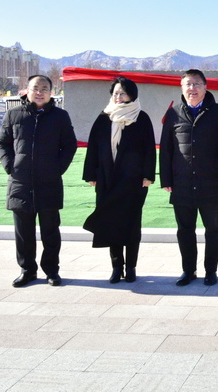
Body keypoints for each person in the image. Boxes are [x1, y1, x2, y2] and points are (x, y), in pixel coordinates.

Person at [0, 74, 77, 287]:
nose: (39, 92)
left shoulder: (60, 116)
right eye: (35, 88)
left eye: (44, 89)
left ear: (51, 92)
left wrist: (57, 169)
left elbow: (69, 145)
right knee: (23, 232)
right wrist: (11, 166)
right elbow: (2, 143)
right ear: (27, 90)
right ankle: (27, 271)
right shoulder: (14, 114)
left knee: (50, 231)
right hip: (20, 182)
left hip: (49, 182)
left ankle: (52, 271)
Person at [160, 69, 218, 287]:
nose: (192, 88)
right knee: (185, 230)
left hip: (210, 182)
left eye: (197, 84)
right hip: (181, 183)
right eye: (188, 84)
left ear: (205, 87)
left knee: (213, 229)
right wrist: (166, 180)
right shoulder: (173, 113)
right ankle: (188, 270)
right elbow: (166, 149)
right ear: (182, 88)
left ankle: (211, 271)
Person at [82, 77, 156, 284]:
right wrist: (91, 175)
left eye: (122, 93)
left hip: (133, 181)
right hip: (107, 179)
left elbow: (149, 149)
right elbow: (93, 147)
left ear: (132, 95)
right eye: (115, 93)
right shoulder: (104, 117)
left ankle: (131, 267)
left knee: (131, 224)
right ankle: (116, 267)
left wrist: (148, 176)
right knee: (111, 222)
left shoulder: (141, 118)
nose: (118, 97)